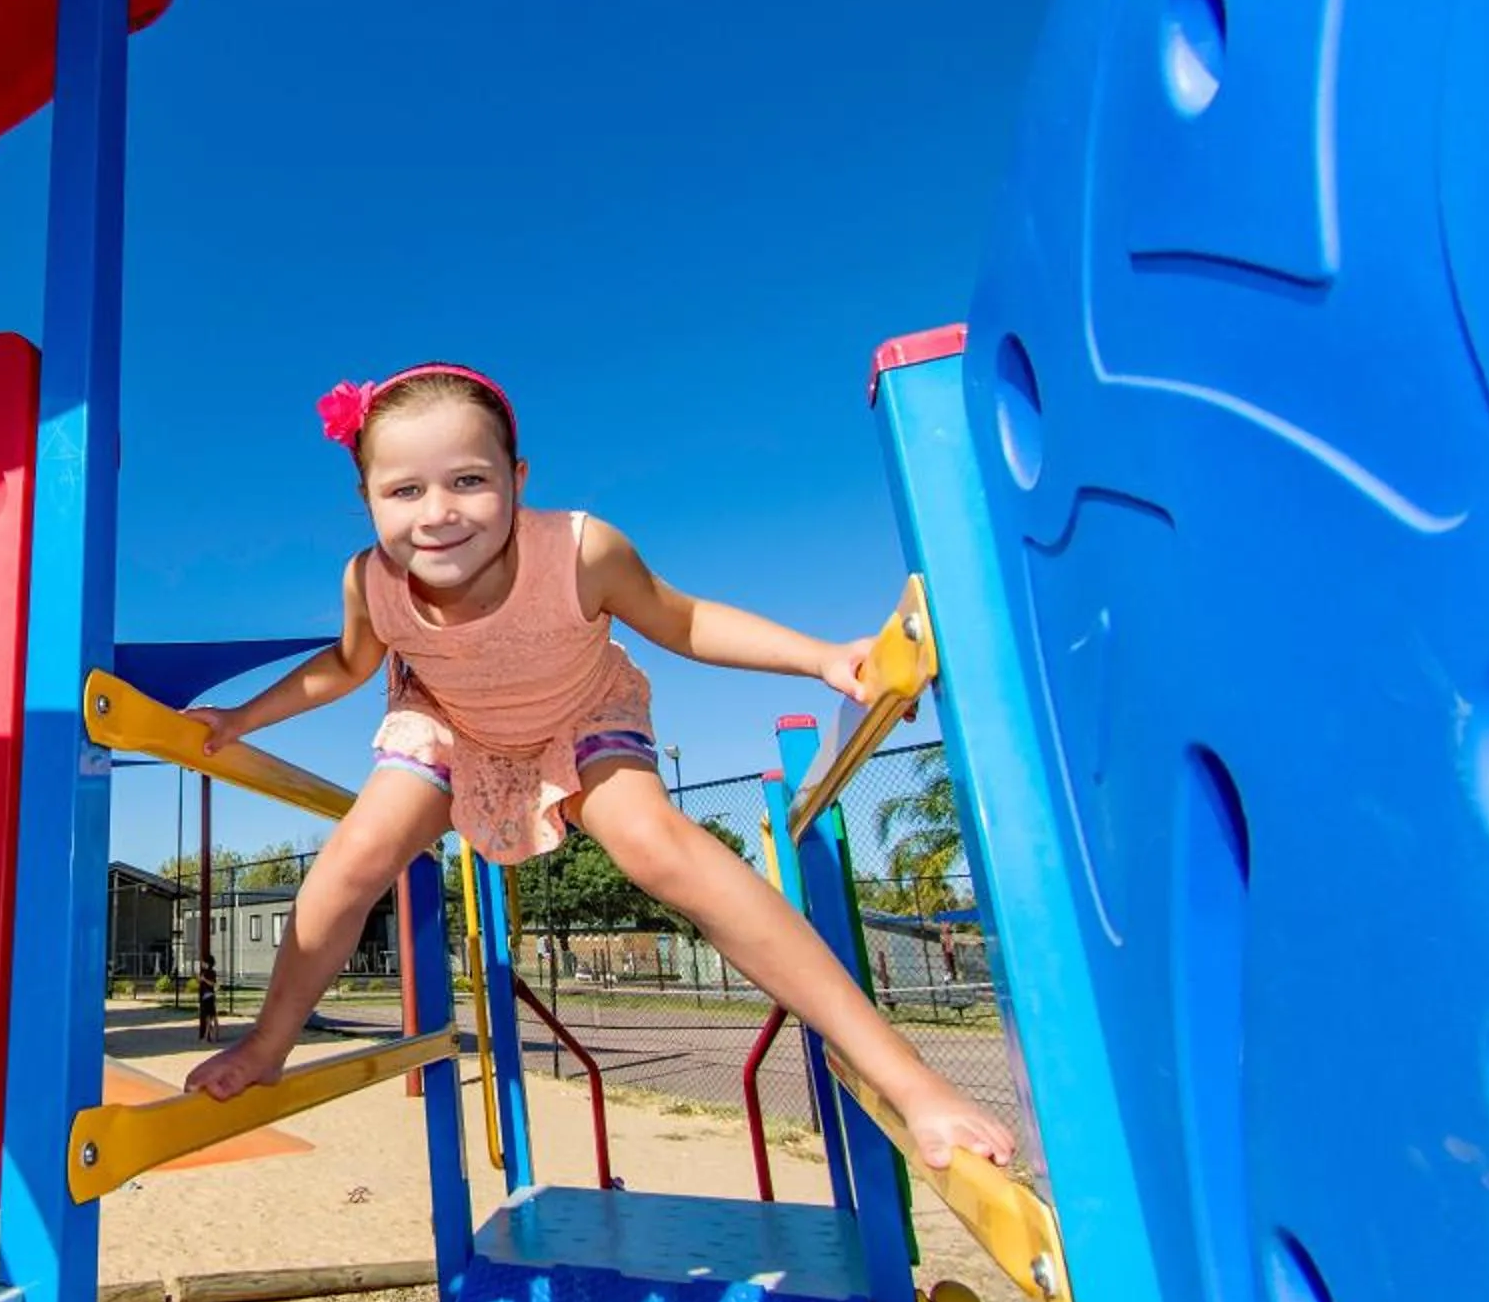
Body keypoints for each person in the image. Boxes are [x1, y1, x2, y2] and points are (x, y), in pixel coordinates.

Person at [181, 362, 1014, 1171]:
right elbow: (344, 666)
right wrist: (242, 718)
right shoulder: (372, 580)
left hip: (580, 713)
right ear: (366, 498)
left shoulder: (580, 552)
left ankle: (905, 1074)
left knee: (656, 846)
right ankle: (269, 1042)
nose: (437, 514)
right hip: (449, 722)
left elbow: (682, 621)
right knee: (354, 856)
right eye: (403, 491)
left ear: (517, 477)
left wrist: (820, 657)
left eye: (468, 480)